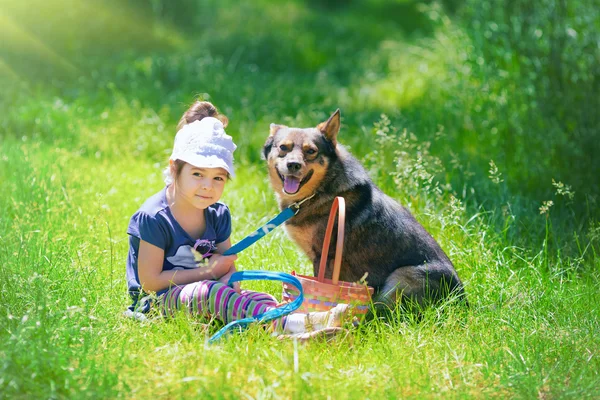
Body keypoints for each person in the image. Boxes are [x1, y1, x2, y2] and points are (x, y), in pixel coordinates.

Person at [125, 100, 348, 337]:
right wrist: (209, 273)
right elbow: (149, 282)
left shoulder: (217, 214)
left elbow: (228, 270)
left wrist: (229, 284)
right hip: (157, 305)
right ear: (174, 169)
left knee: (260, 298)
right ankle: (295, 325)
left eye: (218, 179)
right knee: (210, 293)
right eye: (197, 174)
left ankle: (287, 333)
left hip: (206, 294)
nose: (207, 187)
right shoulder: (153, 217)